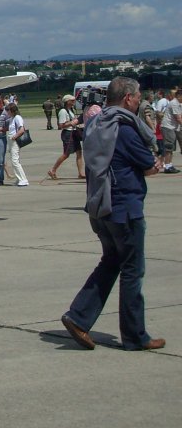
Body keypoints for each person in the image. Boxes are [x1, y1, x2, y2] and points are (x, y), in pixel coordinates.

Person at [61, 77, 165, 351]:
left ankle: (78, 316)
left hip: (100, 208)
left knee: (111, 262)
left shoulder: (97, 123)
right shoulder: (124, 128)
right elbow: (148, 164)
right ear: (128, 98)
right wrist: (153, 165)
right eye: (138, 95)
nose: (140, 100)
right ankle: (135, 336)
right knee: (132, 270)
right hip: (124, 209)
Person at [50, 94, 83, 180]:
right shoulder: (63, 111)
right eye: (72, 101)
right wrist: (71, 123)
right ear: (67, 101)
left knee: (79, 153)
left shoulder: (71, 110)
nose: (74, 102)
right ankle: (52, 170)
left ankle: (80, 173)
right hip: (68, 134)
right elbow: (60, 125)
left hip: (74, 133)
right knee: (66, 154)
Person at [5, 103, 29, 186]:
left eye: (8, 110)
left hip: (15, 141)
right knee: (15, 160)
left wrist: (14, 137)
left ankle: (23, 179)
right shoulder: (12, 118)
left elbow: (21, 129)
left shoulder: (17, 118)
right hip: (11, 141)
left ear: (12, 110)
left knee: (15, 161)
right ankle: (19, 178)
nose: (7, 112)